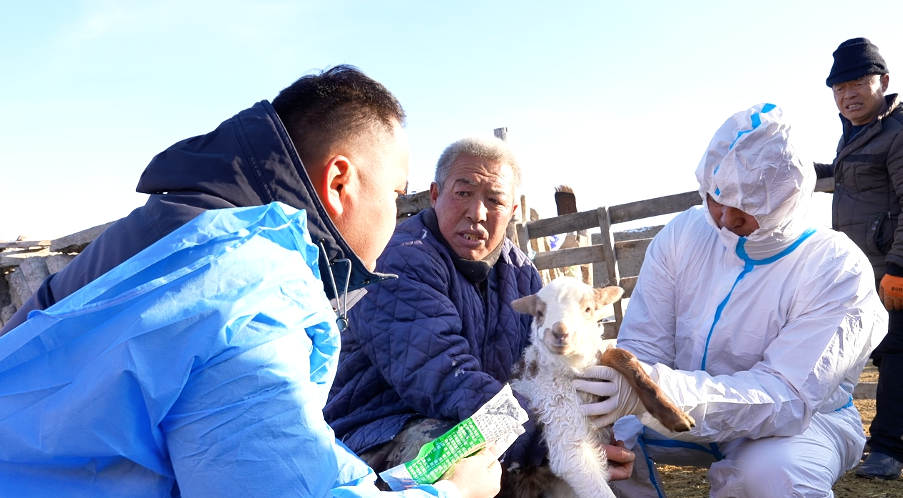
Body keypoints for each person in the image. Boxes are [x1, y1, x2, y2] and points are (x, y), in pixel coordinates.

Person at [0, 66, 503, 498]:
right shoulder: (251, 291)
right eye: (395, 193)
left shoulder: (172, 233)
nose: (397, 213)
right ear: (338, 183)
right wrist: (452, 492)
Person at [574, 104, 887, 497]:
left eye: (748, 207)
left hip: (798, 426)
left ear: (788, 201)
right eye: (715, 197)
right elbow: (645, 343)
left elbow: (786, 396)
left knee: (777, 475)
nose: (725, 218)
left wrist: (657, 393)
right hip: (673, 412)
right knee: (590, 442)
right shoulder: (684, 234)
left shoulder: (835, 267)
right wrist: (627, 398)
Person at [324, 136, 636, 486]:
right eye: (463, 193)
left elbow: (542, 367)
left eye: (494, 200)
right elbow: (444, 375)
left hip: (494, 422)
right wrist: (554, 439)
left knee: (590, 459)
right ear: (435, 195)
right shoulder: (400, 260)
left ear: (512, 210)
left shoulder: (522, 274)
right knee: (460, 456)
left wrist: (588, 429)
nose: (477, 213)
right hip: (381, 429)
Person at [814, 37, 903, 480]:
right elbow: (851, 178)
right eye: (839, 88)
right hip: (865, 268)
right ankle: (883, 441)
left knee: (898, 354)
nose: (847, 95)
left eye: (857, 84)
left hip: (892, 268)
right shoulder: (857, 134)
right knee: (883, 354)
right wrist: (804, 171)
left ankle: (888, 449)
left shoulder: (898, 131)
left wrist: (900, 269)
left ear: (882, 82)